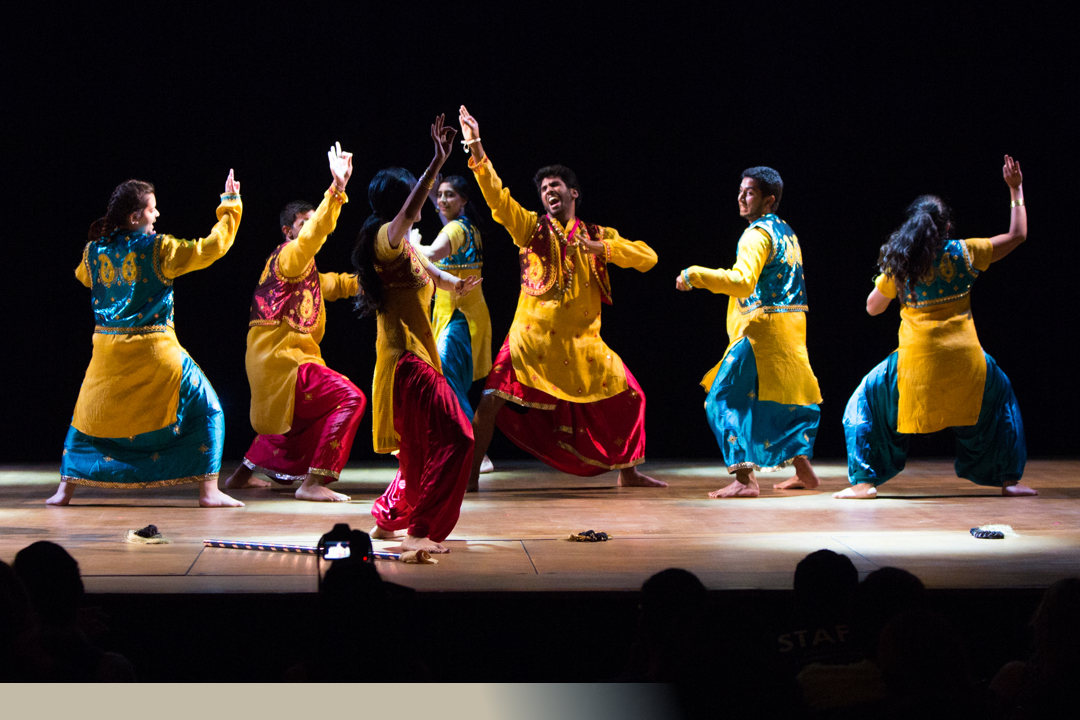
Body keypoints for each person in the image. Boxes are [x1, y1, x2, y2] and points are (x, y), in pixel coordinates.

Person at [458, 105, 665, 491]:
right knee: (488, 403)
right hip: (529, 342)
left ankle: (629, 473)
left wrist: (602, 249)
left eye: (555, 185)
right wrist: (476, 147)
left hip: (582, 344)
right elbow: (498, 200)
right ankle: (467, 480)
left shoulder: (597, 234)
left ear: (573, 192)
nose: (548, 191)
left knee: (633, 396)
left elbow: (650, 258)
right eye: (543, 188)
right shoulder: (530, 229)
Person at [838, 155, 1035, 499]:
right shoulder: (967, 252)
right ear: (946, 227)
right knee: (1002, 396)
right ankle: (1009, 480)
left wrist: (889, 279)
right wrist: (1015, 189)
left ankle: (864, 483)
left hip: (914, 365)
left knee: (863, 401)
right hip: (967, 363)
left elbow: (871, 309)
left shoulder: (901, 264)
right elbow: (1018, 235)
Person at [50, 172, 244, 507]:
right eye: (152, 209)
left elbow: (84, 278)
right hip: (155, 352)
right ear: (135, 216)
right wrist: (230, 206)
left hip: (108, 355)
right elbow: (212, 248)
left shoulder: (92, 252)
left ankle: (63, 492)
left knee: (87, 419)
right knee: (209, 409)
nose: (157, 215)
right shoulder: (161, 249)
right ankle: (209, 492)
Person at [353, 114, 480, 554]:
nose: (423, 199)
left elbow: (435, 273)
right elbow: (410, 211)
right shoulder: (386, 240)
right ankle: (420, 530)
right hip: (406, 360)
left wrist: (456, 284)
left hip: (417, 358)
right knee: (460, 438)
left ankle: (389, 521)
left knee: (419, 448)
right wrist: (436, 163)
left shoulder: (404, 247)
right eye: (416, 192)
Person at [224, 144, 365, 502]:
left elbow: (341, 284)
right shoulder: (289, 255)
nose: (311, 228)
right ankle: (314, 482)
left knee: (297, 416)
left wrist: (383, 272)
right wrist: (336, 190)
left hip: (278, 365)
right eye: (304, 224)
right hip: (284, 363)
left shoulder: (306, 270)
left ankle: (241, 476)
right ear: (289, 232)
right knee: (349, 398)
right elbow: (317, 233)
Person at [676, 167, 822, 498]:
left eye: (751, 192)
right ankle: (804, 472)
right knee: (782, 402)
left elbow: (743, 281)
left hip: (762, 333)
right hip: (791, 330)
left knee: (721, 398)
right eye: (741, 190)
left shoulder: (756, 234)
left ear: (769, 200)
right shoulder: (787, 231)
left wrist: (694, 274)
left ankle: (744, 480)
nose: (742, 197)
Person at [411, 174, 495, 473]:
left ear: (464, 201)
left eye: (450, 195)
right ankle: (463, 449)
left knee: (447, 381)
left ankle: (475, 451)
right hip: (453, 317)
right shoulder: (461, 226)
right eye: (441, 195)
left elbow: (430, 255)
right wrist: (437, 164)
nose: (443, 200)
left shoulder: (457, 229)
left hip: (461, 318)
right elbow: (434, 200)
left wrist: (411, 241)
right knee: (450, 383)